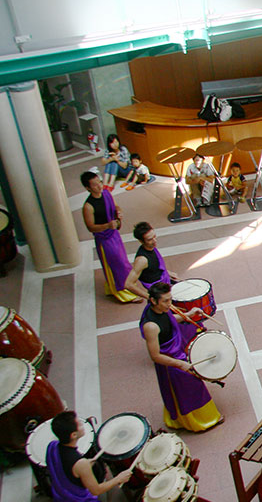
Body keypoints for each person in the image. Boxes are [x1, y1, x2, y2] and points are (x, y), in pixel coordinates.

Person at [140, 281, 223, 430]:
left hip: (177, 354)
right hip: (170, 363)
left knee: (187, 389)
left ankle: (192, 418)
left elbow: (170, 320)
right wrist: (180, 364)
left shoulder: (161, 309)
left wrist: (188, 315)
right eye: (165, 301)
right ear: (153, 300)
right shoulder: (150, 326)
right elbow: (155, 356)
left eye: (170, 299)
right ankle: (203, 421)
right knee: (191, 388)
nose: (169, 304)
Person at [81, 171, 140, 304]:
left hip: (114, 235)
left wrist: (118, 211)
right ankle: (123, 293)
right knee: (116, 263)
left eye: (100, 182)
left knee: (122, 261)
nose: (99, 186)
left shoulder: (106, 193)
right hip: (104, 239)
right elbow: (90, 227)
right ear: (88, 188)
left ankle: (125, 285)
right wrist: (107, 225)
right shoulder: (88, 206)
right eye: (95, 185)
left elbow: (114, 206)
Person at [125, 222, 176, 299]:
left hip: (163, 282)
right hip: (158, 292)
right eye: (150, 239)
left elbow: (154, 267)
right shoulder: (142, 260)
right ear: (141, 241)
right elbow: (128, 284)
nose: (154, 240)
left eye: (154, 236)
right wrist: (150, 297)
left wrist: (168, 273)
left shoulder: (151, 247)